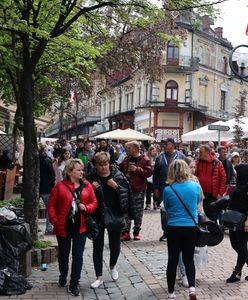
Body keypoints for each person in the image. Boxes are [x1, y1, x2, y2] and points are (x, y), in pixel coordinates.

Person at [48, 159, 97, 296]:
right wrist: (55, 221)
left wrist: (86, 207)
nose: (82, 172)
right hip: (63, 228)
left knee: (78, 256)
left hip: (81, 228)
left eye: (82, 170)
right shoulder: (60, 186)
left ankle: (74, 283)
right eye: (79, 170)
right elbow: (51, 205)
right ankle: (63, 276)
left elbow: (94, 202)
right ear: (70, 172)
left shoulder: (87, 186)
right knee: (63, 255)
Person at [86, 152, 132, 289]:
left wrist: (116, 187)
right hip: (97, 215)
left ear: (109, 163)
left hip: (115, 214)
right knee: (97, 247)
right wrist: (92, 189)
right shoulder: (91, 177)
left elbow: (126, 197)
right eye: (100, 165)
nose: (104, 168)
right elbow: (84, 196)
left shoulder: (117, 176)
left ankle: (112, 265)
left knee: (115, 246)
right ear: (96, 165)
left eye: (105, 164)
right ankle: (99, 277)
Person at [163, 159, 201, 300]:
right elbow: (197, 203)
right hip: (190, 227)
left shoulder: (168, 189)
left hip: (174, 226)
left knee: (172, 260)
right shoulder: (195, 187)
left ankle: (171, 293)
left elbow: (167, 208)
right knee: (188, 259)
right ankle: (191, 288)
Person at [119, 140, 152, 241]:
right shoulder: (127, 158)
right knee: (126, 210)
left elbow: (149, 172)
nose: (126, 150)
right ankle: (125, 232)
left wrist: (137, 169)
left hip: (138, 189)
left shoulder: (145, 159)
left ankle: (136, 231)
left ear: (135, 148)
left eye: (128, 148)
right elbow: (121, 168)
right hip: (126, 189)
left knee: (138, 212)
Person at [153, 138, 185, 241]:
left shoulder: (181, 156)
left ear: (172, 145)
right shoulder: (160, 158)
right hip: (163, 188)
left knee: (176, 208)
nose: (164, 146)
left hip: (178, 187)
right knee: (164, 210)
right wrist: (156, 188)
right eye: (164, 144)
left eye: (166, 144)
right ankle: (166, 232)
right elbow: (155, 174)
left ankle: (176, 231)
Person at [225, 164, 248, 283]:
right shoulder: (238, 184)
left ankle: (236, 273)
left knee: (242, 247)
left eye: (237, 172)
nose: (235, 173)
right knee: (235, 245)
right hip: (233, 220)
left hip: (243, 221)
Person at [196, 144, 226, 222]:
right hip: (200, 193)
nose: (200, 155)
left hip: (212, 194)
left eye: (201, 153)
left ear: (208, 152)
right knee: (201, 214)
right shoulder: (198, 162)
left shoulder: (217, 163)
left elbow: (223, 178)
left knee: (212, 215)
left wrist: (220, 192)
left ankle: (213, 231)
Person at [39, 143, 55, 234]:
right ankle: (48, 229)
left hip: (35, 188)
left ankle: (33, 227)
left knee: (33, 208)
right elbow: (51, 175)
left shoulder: (33, 160)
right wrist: (52, 184)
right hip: (46, 188)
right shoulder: (47, 160)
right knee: (50, 208)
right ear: (44, 150)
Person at [145, 145, 159, 210]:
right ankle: (148, 204)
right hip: (148, 177)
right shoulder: (147, 157)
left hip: (155, 176)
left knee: (155, 190)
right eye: (153, 151)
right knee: (148, 191)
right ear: (150, 151)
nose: (154, 152)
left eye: (155, 151)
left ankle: (155, 203)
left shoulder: (158, 158)